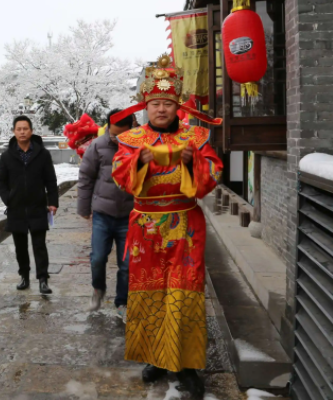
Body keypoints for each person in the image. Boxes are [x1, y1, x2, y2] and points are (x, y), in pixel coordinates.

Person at [111, 55, 223, 398]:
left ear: (178, 107)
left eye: (167, 103)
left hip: (186, 227)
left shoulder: (197, 137)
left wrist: (194, 164)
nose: (161, 109)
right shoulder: (130, 140)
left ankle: (187, 365)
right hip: (146, 229)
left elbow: (214, 175)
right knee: (149, 292)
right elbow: (120, 178)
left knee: (184, 294)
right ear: (146, 105)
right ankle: (155, 358)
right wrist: (137, 163)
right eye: (155, 103)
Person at [77, 109, 135, 317]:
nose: (117, 139)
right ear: (108, 127)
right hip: (103, 213)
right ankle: (98, 289)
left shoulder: (139, 145)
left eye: (122, 135)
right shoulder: (98, 146)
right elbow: (86, 177)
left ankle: (122, 302)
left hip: (130, 215)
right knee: (98, 258)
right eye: (113, 135)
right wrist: (84, 208)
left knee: (127, 263)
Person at [0, 115, 58, 295]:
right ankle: (24, 276)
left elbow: (51, 180)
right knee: (20, 246)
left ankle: (43, 279)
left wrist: (53, 201)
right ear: (14, 132)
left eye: (25, 128)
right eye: (19, 129)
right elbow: (0, 181)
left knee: (40, 245)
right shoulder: (7, 156)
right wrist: (8, 198)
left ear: (31, 131)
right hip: (16, 209)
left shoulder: (42, 154)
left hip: (38, 206)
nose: (22, 132)